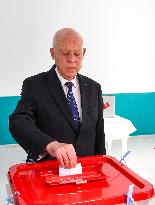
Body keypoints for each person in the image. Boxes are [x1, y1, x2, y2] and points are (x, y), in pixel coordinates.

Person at [9, 28, 106, 168]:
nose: (72, 59)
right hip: (51, 169)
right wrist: (50, 145)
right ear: (53, 53)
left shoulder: (94, 87)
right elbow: (19, 122)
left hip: (88, 169)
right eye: (65, 53)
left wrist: (101, 164)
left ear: (83, 53)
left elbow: (99, 134)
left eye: (77, 53)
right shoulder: (34, 85)